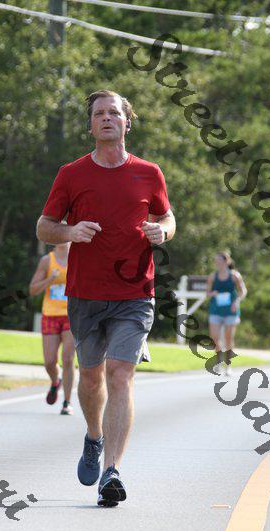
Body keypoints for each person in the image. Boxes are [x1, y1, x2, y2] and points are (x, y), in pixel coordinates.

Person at [36, 90, 176, 507]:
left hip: (135, 293)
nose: (107, 118)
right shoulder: (71, 174)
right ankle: (94, 436)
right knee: (91, 377)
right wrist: (70, 231)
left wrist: (163, 231)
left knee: (120, 374)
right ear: (91, 125)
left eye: (114, 112)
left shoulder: (149, 172)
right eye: (99, 113)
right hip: (86, 294)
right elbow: (44, 226)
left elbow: (166, 216)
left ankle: (111, 471)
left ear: (127, 122)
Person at [29, 242, 75, 415]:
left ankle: (67, 402)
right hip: (50, 315)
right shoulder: (47, 260)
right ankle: (56, 381)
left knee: (68, 359)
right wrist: (50, 279)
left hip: (71, 315)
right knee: (49, 362)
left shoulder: (77, 258)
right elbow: (33, 289)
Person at [207, 252, 247, 376]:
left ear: (226, 261)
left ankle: (228, 365)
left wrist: (237, 301)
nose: (217, 263)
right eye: (216, 261)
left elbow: (243, 291)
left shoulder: (234, 276)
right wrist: (212, 294)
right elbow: (207, 292)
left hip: (231, 310)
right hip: (216, 310)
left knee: (228, 338)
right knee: (214, 338)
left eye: (219, 260)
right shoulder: (212, 276)